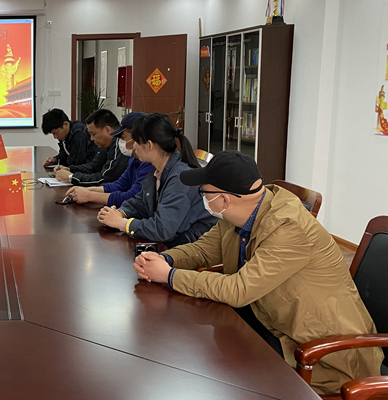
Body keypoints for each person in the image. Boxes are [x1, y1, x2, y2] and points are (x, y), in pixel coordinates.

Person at [133, 151, 382, 395]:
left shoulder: (288, 227)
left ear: (224, 199)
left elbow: (239, 290)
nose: (203, 199)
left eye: (204, 193)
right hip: (270, 323)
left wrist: (170, 276)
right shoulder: (242, 213)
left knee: (218, 372)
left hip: (321, 354)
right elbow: (204, 249)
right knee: (206, 355)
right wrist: (166, 259)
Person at [97, 112, 216, 247]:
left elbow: (162, 229)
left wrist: (121, 223)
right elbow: (141, 202)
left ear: (149, 145)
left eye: (136, 142)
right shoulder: (158, 169)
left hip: (194, 247)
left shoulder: (180, 177)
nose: (134, 146)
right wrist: (120, 212)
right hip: (176, 242)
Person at [66, 111, 151, 204]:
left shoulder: (148, 163)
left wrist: (89, 195)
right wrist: (87, 190)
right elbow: (119, 185)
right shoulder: (133, 159)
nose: (120, 142)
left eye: (122, 138)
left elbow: (132, 197)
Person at [53, 109, 129, 186]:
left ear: (107, 130)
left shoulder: (121, 146)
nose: (91, 139)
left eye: (93, 134)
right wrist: (70, 169)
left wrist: (72, 177)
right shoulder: (107, 145)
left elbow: (104, 179)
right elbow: (93, 166)